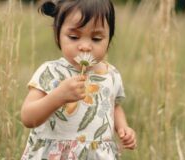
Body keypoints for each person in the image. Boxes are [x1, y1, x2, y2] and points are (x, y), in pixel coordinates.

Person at [20, 0, 136, 159]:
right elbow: (28, 117)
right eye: (74, 37)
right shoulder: (51, 72)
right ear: (58, 35)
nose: (85, 46)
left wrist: (124, 128)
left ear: (109, 39)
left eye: (96, 39)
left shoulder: (111, 74)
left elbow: (114, 106)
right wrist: (58, 96)